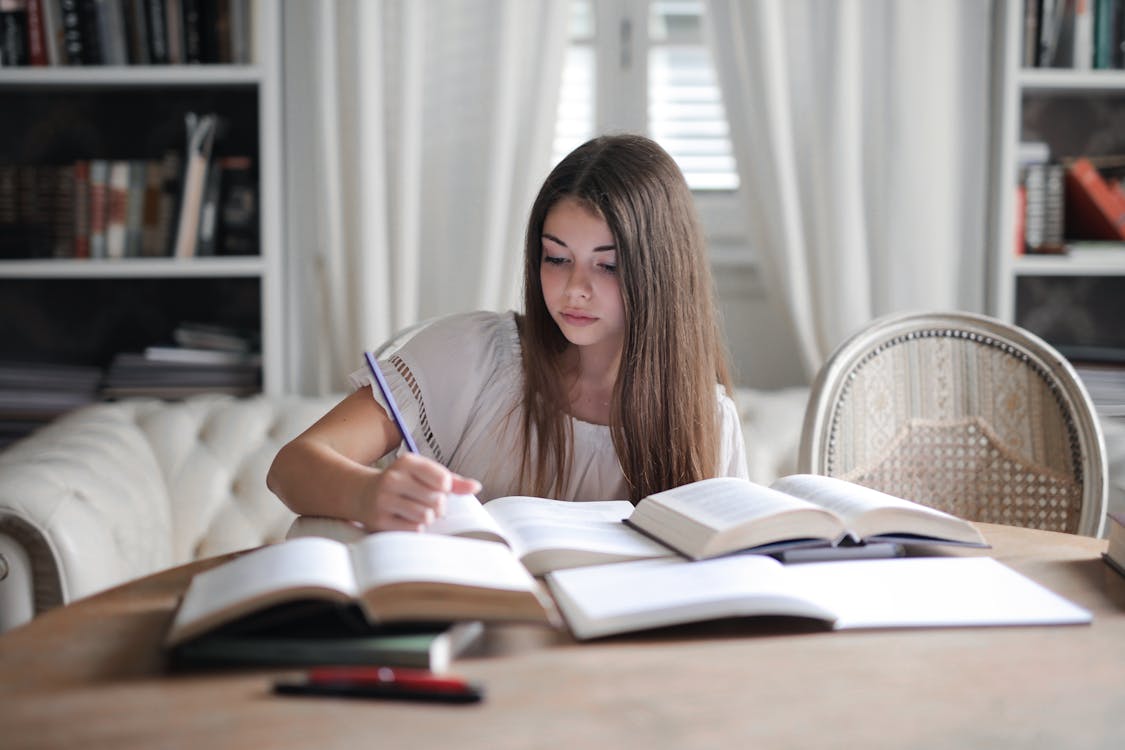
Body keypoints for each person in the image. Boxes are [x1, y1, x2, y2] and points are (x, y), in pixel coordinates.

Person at [267, 133, 748, 531]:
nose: (574, 290)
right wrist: (368, 493)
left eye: (608, 266)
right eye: (556, 258)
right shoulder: (473, 356)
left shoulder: (706, 421)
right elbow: (291, 467)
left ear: (660, 272)